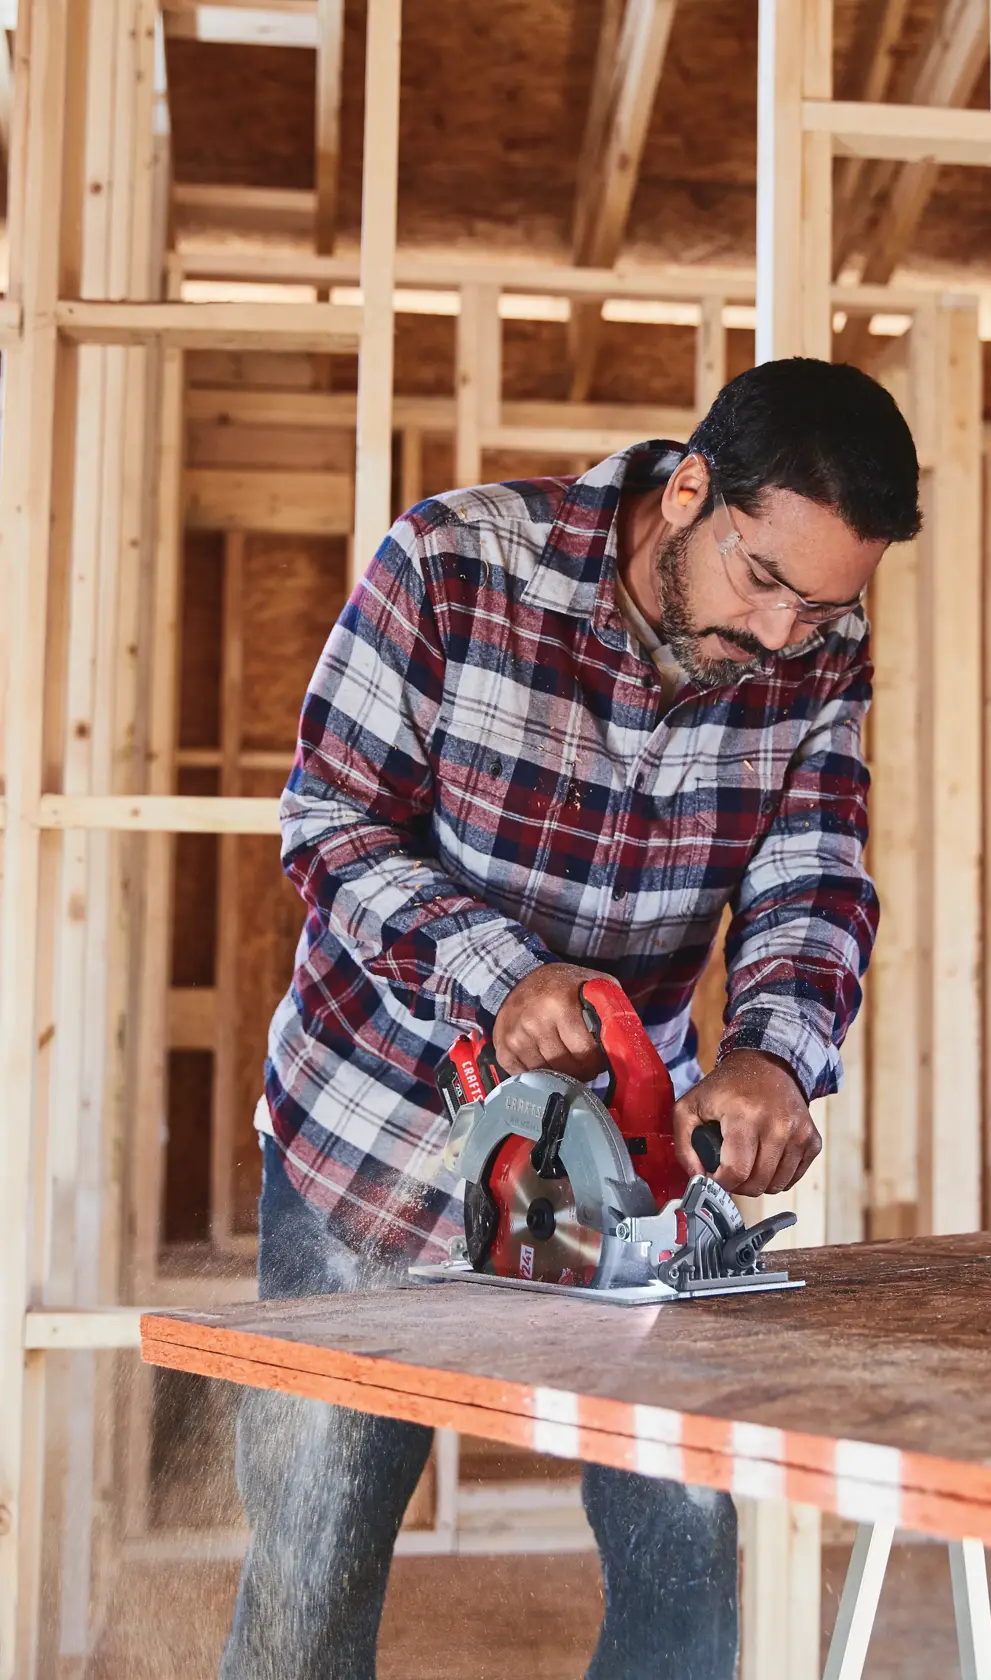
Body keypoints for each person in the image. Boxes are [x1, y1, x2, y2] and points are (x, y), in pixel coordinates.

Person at [220, 356, 922, 1680]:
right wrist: (499, 969)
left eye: (823, 609)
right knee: (311, 1577)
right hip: (373, 1140)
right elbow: (330, 818)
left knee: (690, 1571)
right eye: (763, 582)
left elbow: (814, 879)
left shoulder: (811, 652)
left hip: (622, 1183)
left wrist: (775, 1053)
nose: (779, 640)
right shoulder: (453, 562)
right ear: (692, 489)